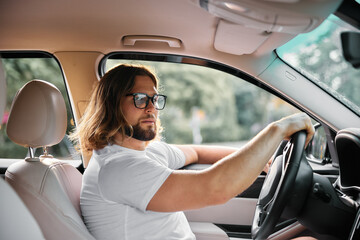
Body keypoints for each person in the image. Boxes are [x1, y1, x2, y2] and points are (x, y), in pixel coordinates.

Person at [71, 64, 315, 240]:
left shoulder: (146, 152)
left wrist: (263, 161)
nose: (151, 109)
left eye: (155, 100)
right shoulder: (117, 170)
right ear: (111, 104)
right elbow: (214, 188)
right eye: (139, 98)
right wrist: (277, 129)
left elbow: (196, 153)